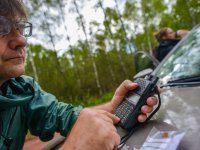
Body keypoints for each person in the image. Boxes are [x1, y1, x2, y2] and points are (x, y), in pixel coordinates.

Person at [0, 0, 158, 150]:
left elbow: (60, 114)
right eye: (1, 27)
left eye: (20, 27)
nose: (21, 41)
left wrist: (111, 108)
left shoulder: (22, 88)